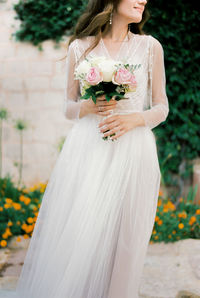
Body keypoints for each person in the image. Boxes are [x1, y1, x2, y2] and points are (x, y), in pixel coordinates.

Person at [0, 0, 169, 297]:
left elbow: (161, 107)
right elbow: (68, 108)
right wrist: (89, 106)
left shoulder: (150, 46)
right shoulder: (80, 48)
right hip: (91, 152)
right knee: (86, 237)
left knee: (128, 241)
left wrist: (134, 119)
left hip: (135, 151)